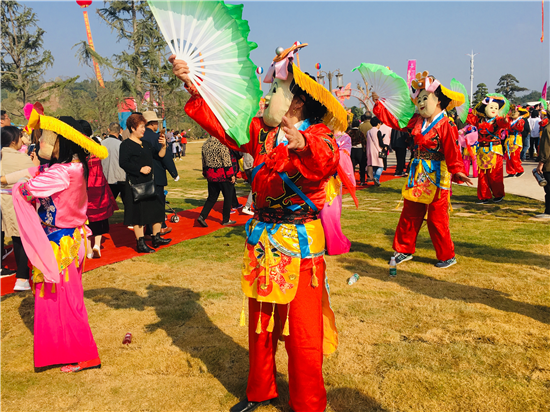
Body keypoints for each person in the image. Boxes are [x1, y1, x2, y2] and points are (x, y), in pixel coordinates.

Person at [171, 41, 343, 412]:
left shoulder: (320, 136)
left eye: (275, 91)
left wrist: (301, 144)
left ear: (296, 103)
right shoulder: (260, 132)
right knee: (260, 324)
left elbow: (326, 159)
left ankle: (308, 403)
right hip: (265, 241)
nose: (266, 97)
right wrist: (194, 84)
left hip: (300, 246)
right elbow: (223, 121)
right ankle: (260, 389)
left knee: (303, 332)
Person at [9, 112, 103, 372]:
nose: (40, 144)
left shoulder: (61, 172)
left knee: (64, 298)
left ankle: (85, 354)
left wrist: (18, 186)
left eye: (47, 139)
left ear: (62, 142)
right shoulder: (71, 167)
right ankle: (66, 349)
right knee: (60, 297)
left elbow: (27, 187)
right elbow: (27, 173)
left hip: (60, 243)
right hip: (66, 238)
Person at [373, 70, 472, 268]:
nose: (419, 102)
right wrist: (379, 106)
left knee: (437, 218)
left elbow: (452, 149)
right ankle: (403, 250)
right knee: (410, 214)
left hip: (436, 176)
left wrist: (458, 169)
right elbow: (396, 122)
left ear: (438, 100)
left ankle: (447, 255)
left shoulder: (446, 124)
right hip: (417, 174)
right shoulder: (417, 121)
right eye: (419, 98)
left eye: (425, 98)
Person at [119, 113, 172, 253]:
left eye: (144, 126)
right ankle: (140, 243)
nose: (144, 129)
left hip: (149, 183)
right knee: (138, 215)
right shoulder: (126, 145)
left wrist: (164, 146)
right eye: (141, 127)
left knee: (158, 210)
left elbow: (159, 156)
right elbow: (123, 163)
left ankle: (156, 237)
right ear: (132, 128)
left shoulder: (146, 144)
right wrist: (139, 169)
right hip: (135, 184)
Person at [1, 126, 37, 290]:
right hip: (18, 201)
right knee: (22, 238)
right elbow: (34, 174)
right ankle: (22, 277)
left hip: (5, 201)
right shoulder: (21, 159)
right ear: (15, 141)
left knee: (13, 236)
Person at [79, 120, 117, 258]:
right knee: (100, 216)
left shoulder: (78, 147)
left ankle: (88, 248)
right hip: (99, 184)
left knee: (86, 218)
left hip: (85, 186)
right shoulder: (96, 145)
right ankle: (97, 244)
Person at [466, 95, 510, 204]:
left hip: (495, 151)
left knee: (495, 174)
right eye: (491, 107)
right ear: (485, 109)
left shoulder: (497, 120)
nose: (494, 110)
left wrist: (505, 120)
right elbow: (468, 117)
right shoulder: (479, 120)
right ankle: (484, 196)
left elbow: (504, 123)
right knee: (482, 175)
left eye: (496, 108)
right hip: (482, 151)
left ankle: (498, 194)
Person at [141, 111, 179, 236]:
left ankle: (147, 228)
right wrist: (174, 173)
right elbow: (165, 156)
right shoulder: (155, 137)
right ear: (152, 123)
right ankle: (160, 227)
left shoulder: (138, 136)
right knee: (158, 202)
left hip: (142, 175)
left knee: (146, 203)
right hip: (156, 174)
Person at [319, 130, 356, 255]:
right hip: (318, 179)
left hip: (333, 181)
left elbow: (345, 157)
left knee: (329, 213)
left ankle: (332, 243)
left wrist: (331, 152)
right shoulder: (318, 132)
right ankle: (319, 243)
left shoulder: (344, 137)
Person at [196, 136, 237, 227]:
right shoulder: (222, 144)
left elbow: (204, 161)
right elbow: (226, 161)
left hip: (211, 174)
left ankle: (202, 216)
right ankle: (226, 219)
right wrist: (231, 174)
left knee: (211, 197)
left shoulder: (205, 144)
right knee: (228, 197)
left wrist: (205, 172)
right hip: (222, 175)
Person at [101, 122, 127, 202]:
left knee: (106, 202)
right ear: (120, 131)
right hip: (120, 177)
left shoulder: (101, 144)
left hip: (105, 176)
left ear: (108, 130)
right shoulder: (122, 145)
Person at [504, 105, 527, 177]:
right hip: (509, 138)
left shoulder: (521, 120)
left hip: (516, 139)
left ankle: (520, 170)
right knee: (509, 156)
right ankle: (511, 171)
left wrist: (511, 126)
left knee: (515, 156)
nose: (513, 113)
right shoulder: (509, 119)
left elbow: (520, 128)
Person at [535, 115, 550, 218]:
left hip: (549, 164)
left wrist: (541, 162)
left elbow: (545, 148)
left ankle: (548, 211)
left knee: (548, 189)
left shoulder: (548, 129)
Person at [366, 117, 384, 186]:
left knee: (373, 166)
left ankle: (376, 181)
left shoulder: (368, 132)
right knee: (380, 166)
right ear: (378, 123)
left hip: (369, 151)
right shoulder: (378, 131)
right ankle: (376, 178)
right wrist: (384, 146)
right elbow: (380, 143)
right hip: (377, 150)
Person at [349, 119, 367, 185]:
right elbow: (364, 141)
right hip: (360, 150)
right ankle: (362, 180)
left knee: (352, 167)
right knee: (362, 166)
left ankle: (351, 181)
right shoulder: (360, 133)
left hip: (352, 150)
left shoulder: (349, 133)